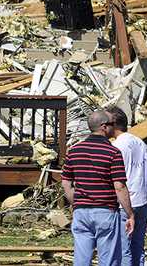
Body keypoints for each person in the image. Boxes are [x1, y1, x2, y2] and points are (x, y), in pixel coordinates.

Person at [62, 110, 135, 266]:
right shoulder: (113, 152)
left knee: (81, 260)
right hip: (105, 211)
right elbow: (120, 187)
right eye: (111, 124)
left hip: (81, 212)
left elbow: (66, 182)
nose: (113, 127)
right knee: (108, 260)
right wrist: (130, 214)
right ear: (103, 127)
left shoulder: (73, 151)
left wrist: (76, 203)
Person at [108, 107, 147, 266]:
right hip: (143, 200)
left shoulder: (118, 147)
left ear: (113, 124)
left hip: (126, 204)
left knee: (123, 249)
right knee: (138, 247)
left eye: (106, 123)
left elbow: (119, 181)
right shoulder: (138, 141)